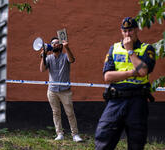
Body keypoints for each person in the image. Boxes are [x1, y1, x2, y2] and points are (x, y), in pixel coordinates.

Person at [95, 17, 156, 150]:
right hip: (116, 100)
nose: (128, 34)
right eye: (125, 31)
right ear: (121, 32)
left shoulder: (147, 49)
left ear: (136, 30)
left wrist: (130, 51)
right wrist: (132, 73)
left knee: (136, 142)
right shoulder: (114, 48)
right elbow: (107, 76)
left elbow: (144, 71)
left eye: (130, 30)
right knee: (103, 137)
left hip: (137, 101)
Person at [40, 37, 83, 142]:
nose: (54, 45)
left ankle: (75, 135)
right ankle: (59, 133)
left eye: (56, 43)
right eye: (52, 43)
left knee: (70, 113)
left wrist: (67, 48)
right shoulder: (49, 58)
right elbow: (42, 69)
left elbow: (72, 60)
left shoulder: (65, 56)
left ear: (60, 46)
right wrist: (43, 56)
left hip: (65, 90)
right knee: (56, 112)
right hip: (52, 90)